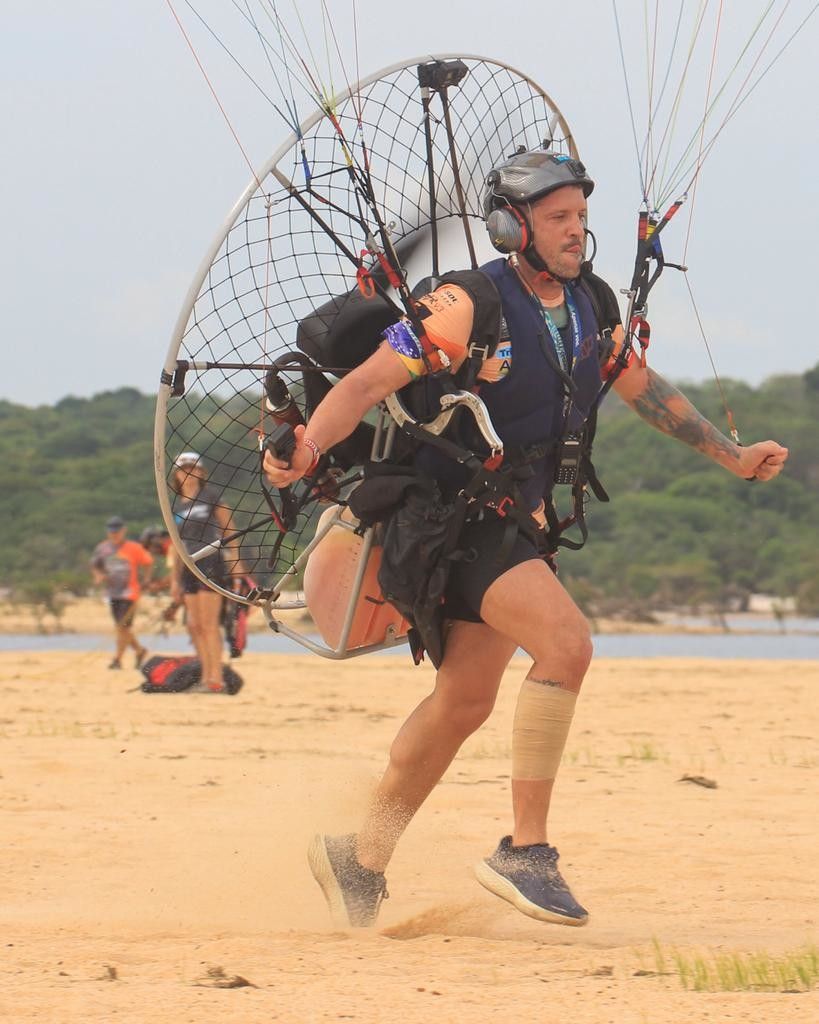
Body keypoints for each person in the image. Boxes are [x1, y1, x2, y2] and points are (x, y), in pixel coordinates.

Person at [263, 149, 789, 929]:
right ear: (514, 227)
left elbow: (640, 387)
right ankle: (525, 849)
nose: (577, 233)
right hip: (449, 522)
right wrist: (305, 450)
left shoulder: (589, 303)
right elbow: (369, 382)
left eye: (580, 217)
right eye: (558, 220)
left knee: (463, 700)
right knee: (566, 644)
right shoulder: (464, 304)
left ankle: (359, 858)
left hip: (513, 522)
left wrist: (728, 454)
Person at [169, 452, 247, 692]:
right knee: (194, 625)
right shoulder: (177, 504)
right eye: (183, 469)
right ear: (177, 474)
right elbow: (175, 544)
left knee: (209, 623)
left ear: (201, 472)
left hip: (210, 562)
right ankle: (206, 676)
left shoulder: (210, 497)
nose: (188, 473)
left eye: (192, 468)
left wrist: (236, 565)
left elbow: (229, 530)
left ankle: (216, 679)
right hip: (187, 565)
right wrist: (174, 580)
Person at [90, 516, 153, 670]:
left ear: (123, 531)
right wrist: (98, 576)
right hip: (112, 592)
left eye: (117, 532)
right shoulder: (102, 548)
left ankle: (117, 659)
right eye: (111, 532)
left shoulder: (134, 547)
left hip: (130, 592)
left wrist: (146, 580)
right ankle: (139, 651)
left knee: (122, 626)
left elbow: (148, 562)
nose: (114, 535)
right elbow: (95, 565)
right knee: (122, 627)